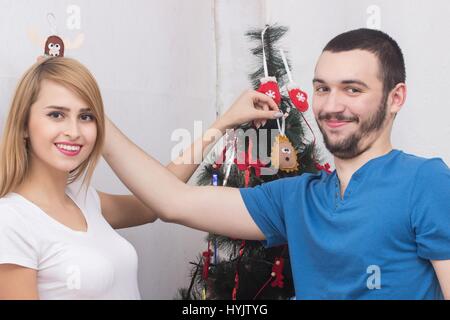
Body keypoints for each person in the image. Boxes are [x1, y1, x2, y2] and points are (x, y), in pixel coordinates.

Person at [101, 28, 450, 300]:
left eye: (352, 90)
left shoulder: (426, 181)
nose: (331, 105)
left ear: (395, 98)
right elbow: (170, 202)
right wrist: (94, 120)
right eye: (322, 88)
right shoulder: (294, 198)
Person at [0, 57, 282, 299]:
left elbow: (155, 202)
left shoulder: (83, 198)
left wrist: (222, 123)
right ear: (24, 125)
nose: (73, 131)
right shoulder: (12, 220)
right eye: (56, 114)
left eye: (86, 116)